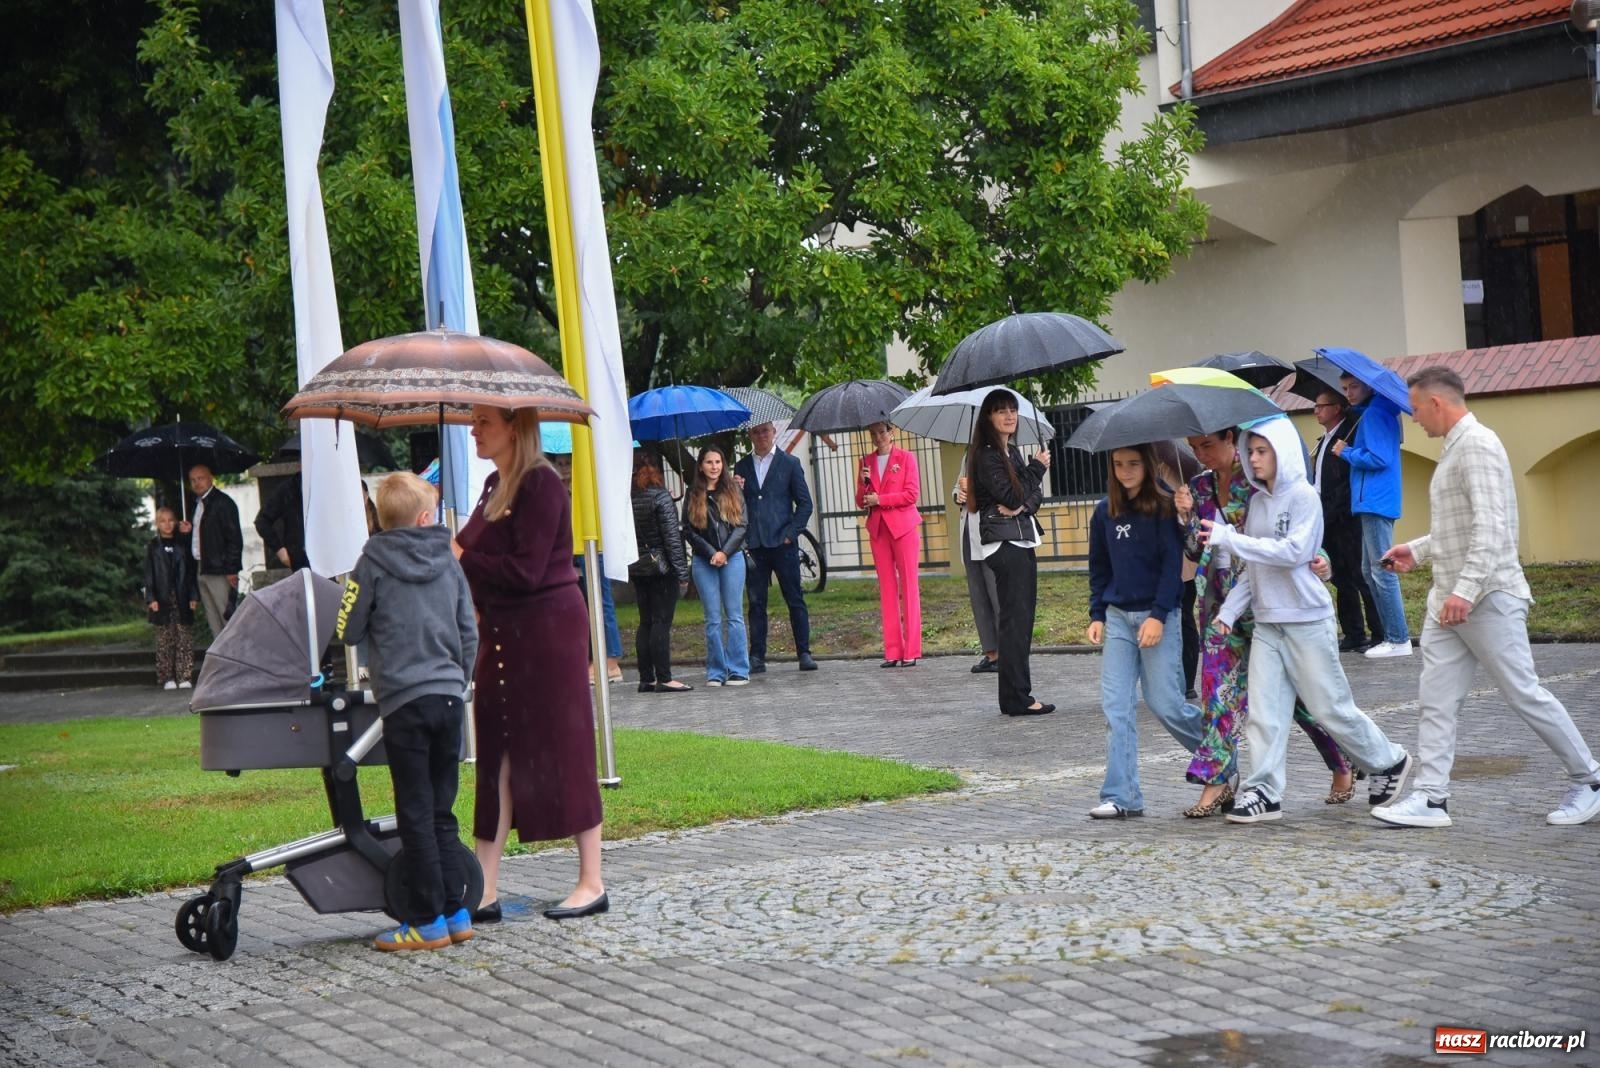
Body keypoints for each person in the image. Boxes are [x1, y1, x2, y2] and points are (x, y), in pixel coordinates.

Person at [1373, 367, 1600, 829]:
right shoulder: (1457, 446)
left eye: (1415, 408)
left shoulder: (1477, 443)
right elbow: (1460, 524)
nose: (1413, 418)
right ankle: (1432, 799)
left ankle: (1591, 779)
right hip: (1450, 603)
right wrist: (1416, 550)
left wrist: (1465, 590)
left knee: (1523, 693)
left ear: (1437, 402)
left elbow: (1492, 528)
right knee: (1435, 700)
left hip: (1487, 597)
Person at [1198, 417, 1414, 824]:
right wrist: (1228, 612)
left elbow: (1293, 552)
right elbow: (1254, 568)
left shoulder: (1303, 497)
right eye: (1251, 452)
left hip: (1306, 620)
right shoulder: (1258, 503)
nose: (1254, 459)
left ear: (1283, 453)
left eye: (1263, 452)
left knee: (1329, 708)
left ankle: (1390, 760)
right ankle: (1263, 790)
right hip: (1267, 623)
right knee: (1264, 712)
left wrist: (1231, 538)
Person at [453, 406, 607, 922]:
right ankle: (485, 887)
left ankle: (592, 881)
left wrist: (462, 557)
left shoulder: (542, 484)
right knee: (495, 751)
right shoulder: (494, 484)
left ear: (515, 427)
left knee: (566, 746)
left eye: (483, 422)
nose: (473, 430)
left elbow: (524, 570)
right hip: (501, 634)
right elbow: (467, 549)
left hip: (547, 633)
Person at [1176, 428, 1355, 817]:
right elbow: (1195, 547)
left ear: (1230, 440)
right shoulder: (1198, 487)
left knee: (1294, 703)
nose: (1201, 454)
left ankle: (1342, 759)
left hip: (1266, 601)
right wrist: (1186, 516)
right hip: (1217, 604)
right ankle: (1217, 781)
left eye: (1207, 444)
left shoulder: (1258, 480)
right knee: (1217, 694)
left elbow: (1293, 535)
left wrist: (1322, 559)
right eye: (1193, 448)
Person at [335, 472, 478, 950]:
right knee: (442, 808)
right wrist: (459, 680)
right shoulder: (449, 559)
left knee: (414, 810)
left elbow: (348, 629)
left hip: (403, 701)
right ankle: (457, 912)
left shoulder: (369, 561)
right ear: (424, 517)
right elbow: (468, 629)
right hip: (448, 697)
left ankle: (425, 920)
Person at [1084, 445, 1204, 818]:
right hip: (1119, 618)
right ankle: (1122, 796)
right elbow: (1099, 568)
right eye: (1118, 465)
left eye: (1133, 463)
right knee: (1115, 707)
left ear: (1147, 466)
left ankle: (1219, 755)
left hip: (1158, 617)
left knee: (1166, 704)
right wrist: (1097, 613)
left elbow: (1174, 570)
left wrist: (1157, 615)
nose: (1125, 471)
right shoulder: (1104, 511)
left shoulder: (1167, 507)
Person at [966, 389, 1053, 717]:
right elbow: (1012, 494)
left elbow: (1031, 499)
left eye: (1013, 409)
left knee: (1022, 621)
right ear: (988, 417)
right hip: (1003, 544)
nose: (1009, 416)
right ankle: (1018, 698)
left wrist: (1021, 506)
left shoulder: (1011, 452)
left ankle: (1016, 696)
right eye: (1001, 410)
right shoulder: (987, 455)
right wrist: (1036, 469)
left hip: (1022, 540)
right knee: (1014, 623)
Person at [1332, 373, 1412, 658]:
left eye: (1354, 386)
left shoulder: (1375, 415)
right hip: (1372, 500)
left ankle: (1397, 638)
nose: (1349, 393)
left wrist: (1347, 452)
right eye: (1344, 389)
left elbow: (1379, 458)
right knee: (1370, 570)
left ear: (1369, 386)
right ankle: (1391, 636)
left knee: (1381, 570)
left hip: (1376, 500)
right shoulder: (1371, 413)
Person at [734, 422, 817, 672]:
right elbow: (737, 506)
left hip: (783, 543)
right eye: (756, 432)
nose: (761, 436)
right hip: (755, 545)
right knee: (756, 602)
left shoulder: (790, 463)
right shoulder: (742, 467)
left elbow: (805, 504)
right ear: (750, 435)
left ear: (774, 432)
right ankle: (757, 656)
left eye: (765, 431)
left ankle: (804, 652)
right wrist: (735, 490)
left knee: (795, 599)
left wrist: (791, 535)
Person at [1309, 390, 1381, 652]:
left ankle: (1379, 631)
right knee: (1339, 576)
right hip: (1325, 514)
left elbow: (1344, 482)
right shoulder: (1326, 438)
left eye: (1321, 406)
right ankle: (1353, 632)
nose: (1316, 410)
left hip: (1344, 516)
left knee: (1359, 573)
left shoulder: (1348, 434)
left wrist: (1331, 509)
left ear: (1337, 408)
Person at [683, 445, 751, 687]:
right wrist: (712, 553)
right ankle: (716, 671)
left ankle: (738, 669)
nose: (714, 467)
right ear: (701, 465)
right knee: (712, 618)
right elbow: (689, 530)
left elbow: (742, 526)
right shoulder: (693, 492)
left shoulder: (733, 489)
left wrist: (724, 553)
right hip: (704, 560)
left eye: (718, 462)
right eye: (709, 462)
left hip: (732, 558)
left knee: (734, 615)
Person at [857, 422, 922, 667]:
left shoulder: (906, 458)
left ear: (891, 433)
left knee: (908, 585)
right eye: (873, 434)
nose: (877, 437)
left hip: (903, 527)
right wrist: (864, 484)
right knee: (887, 588)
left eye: (882, 432)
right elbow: (860, 501)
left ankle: (911, 650)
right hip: (879, 530)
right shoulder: (865, 462)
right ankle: (893, 650)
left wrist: (881, 499)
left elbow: (911, 494)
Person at [630, 452, 692, 693]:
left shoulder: (626, 498)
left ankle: (646, 678)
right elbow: (672, 539)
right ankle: (665, 677)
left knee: (645, 621)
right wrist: (682, 572)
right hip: (661, 566)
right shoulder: (660, 496)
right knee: (661, 622)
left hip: (637, 565)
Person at [181, 464, 242, 638]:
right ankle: (223, 659)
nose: (196, 483)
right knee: (212, 618)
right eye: (192, 480)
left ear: (210, 478)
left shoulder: (223, 503)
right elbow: (201, 536)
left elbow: (234, 538)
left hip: (220, 568)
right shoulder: (197, 505)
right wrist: (188, 531)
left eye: (200, 478)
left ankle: (238, 658)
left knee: (227, 616)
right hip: (201, 566)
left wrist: (232, 568)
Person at [143, 507, 198, 690]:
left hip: (181, 594)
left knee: (184, 636)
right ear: (157, 524)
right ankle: (167, 676)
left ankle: (184, 675)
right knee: (165, 638)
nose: (167, 524)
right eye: (162, 521)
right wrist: (151, 597)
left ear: (175, 522)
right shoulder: (153, 547)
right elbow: (149, 574)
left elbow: (190, 572)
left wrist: (193, 595)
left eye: (170, 520)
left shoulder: (182, 544)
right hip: (161, 596)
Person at [953, 470, 1000, 673]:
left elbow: (1003, 489)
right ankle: (991, 653)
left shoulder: (997, 453)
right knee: (978, 595)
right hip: (967, 530)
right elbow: (958, 486)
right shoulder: (968, 453)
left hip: (989, 529)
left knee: (996, 593)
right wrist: (959, 495)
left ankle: (1008, 652)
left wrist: (973, 488)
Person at [254, 474, 308, 572]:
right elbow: (262, 521)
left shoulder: (328, 484)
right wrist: (280, 550)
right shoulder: (290, 488)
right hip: (301, 558)